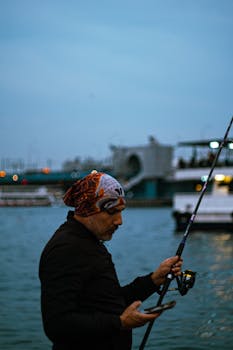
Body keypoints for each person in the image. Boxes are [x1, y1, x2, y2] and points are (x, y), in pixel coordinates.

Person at [39, 171, 183, 350]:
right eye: (112, 212)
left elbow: (108, 302)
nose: (119, 221)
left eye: (121, 212)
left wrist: (153, 280)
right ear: (88, 209)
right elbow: (57, 325)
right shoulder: (67, 248)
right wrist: (119, 323)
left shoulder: (89, 242)